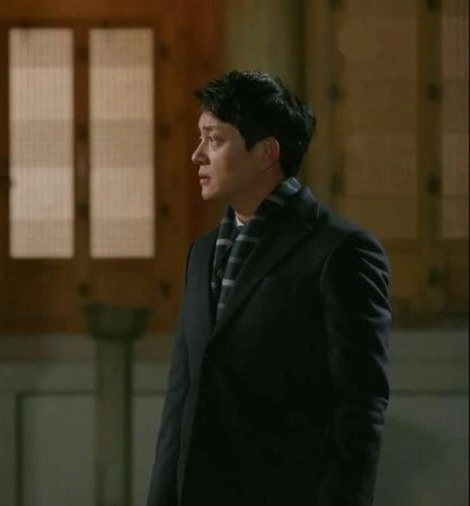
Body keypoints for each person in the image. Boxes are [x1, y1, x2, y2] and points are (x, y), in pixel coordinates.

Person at [146, 70, 391, 506]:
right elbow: (182, 397)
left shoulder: (340, 251)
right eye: (200, 138)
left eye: (214, 140)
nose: (196, 155)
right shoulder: (201, 254)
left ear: (266, 153)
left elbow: (359, 406)